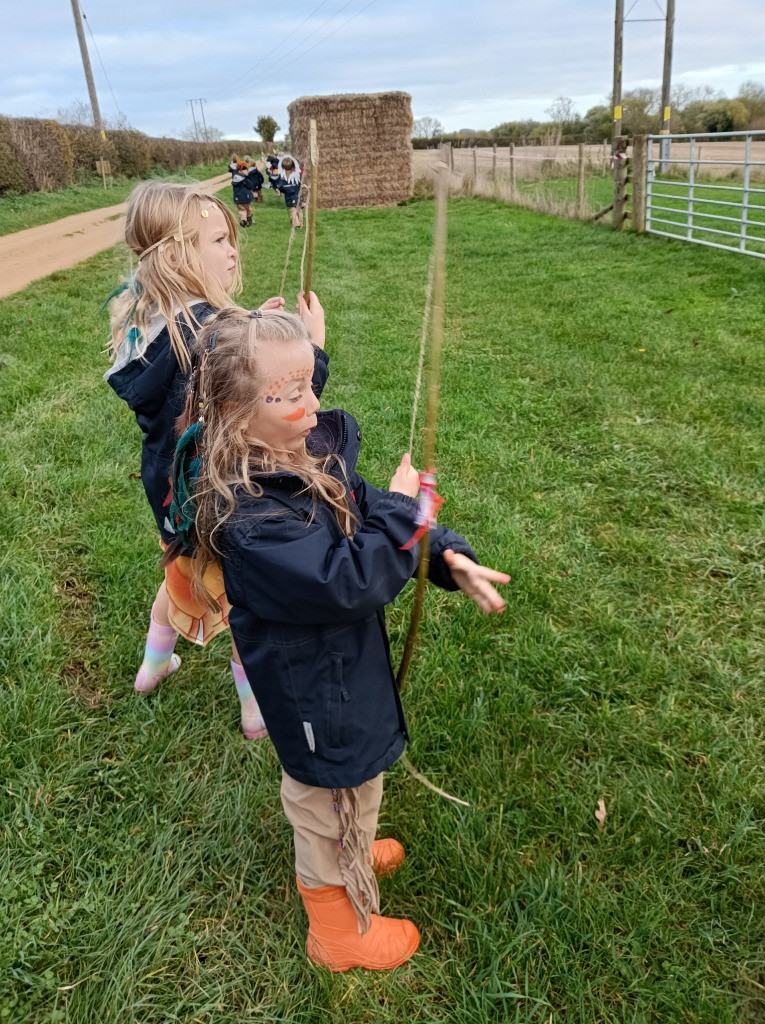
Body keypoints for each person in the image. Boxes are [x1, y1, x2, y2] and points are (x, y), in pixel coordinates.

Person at [170, 307, 510, 971]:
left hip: (338, 675)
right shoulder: (248, 515)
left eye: (309, 385)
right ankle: (337, 930)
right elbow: (342, 580)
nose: (313, 400)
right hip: (312, 695)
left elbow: (370, 507)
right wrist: (403, 525)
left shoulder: (301, 452)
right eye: (292, 392)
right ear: (239, 412)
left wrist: (439, 551)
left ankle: (353, 847)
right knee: (326, 800)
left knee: (353, 790)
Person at [104, 181, 328, 740]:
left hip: (172, 496)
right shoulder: (218, 335)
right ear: (180, 255)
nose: (234, 251)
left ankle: (155, 663)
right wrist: (313, 350)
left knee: (180, 573)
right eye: (221, 240)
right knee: (244, 602)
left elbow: (194, 355)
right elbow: (277, 403)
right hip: (226, 492)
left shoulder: (150, 320)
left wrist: (248, 320)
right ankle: (256, 710)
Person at [227, 153, 262, 227]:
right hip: (246, 198)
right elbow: (250, 186)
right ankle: (249, 220)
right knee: (249, 209)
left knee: (242, 210)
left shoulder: (235, 179)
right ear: (241, 171)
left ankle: (243, 220)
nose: (248, 172)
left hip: (238, 198)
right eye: (246, 170)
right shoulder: (245, 180)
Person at [277, 154, 303, 229]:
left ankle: (297, 223)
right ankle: (299, 224)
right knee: (297, 209)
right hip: (292, 195)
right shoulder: (284, 176)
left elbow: (280, 186)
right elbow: (281, 187)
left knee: (293, 209)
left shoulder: (292, 175)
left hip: (293, 195)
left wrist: (279, 191)